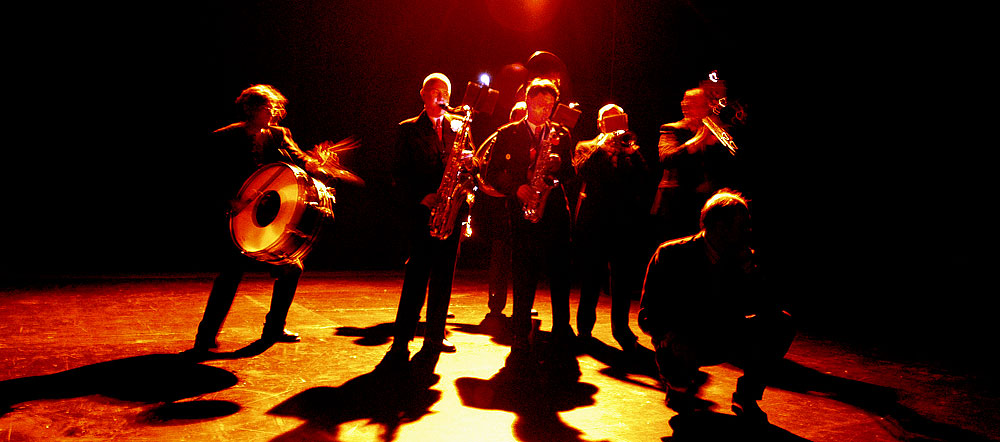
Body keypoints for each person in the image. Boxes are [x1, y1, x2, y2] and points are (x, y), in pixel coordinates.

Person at [638, 189, 794, 422]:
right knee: (682, 392)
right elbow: (648, 313)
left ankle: (746, 395)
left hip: (725, 333)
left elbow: (766, 308)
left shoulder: (743, 257)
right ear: (719, 227)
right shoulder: (673, 254)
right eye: (741, 226)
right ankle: (678, 385)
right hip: (686, 337)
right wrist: (668, 336)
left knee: (781, 323)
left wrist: (750, 275)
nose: (747, 232)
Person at [191, 84, 308, 352]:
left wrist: (314, 162)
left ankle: (275, 327)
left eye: (277, 107)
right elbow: (204, 176)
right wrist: (228, 199)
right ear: (252, 109)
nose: (276, 112)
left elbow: (298, 161)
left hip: (272, 214)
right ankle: (206, 336)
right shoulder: (225, 137)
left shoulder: (280, 135)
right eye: (270, 107)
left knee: (292, 267)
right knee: (230, 274)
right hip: (240, 214)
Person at [482, 78, 576, 367]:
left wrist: (557, 171)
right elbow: (491, 173)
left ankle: (562, 329)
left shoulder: (561, 133)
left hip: (554, 212)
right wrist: (517, 188)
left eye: (549, 106)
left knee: (560, 274)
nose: (544, 111)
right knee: (524, 275)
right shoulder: (508, 133)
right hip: (522, 213)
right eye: (539, 105)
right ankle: (520, 334)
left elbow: (570, 173)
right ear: (528, 102)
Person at [380, 73, 466, 369]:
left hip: (450, 211)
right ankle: (402, 338)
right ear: (423, 94)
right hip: (422, 211)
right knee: (416, 276)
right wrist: (421, 196)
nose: (440, 95)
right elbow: (397, 172)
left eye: (445, 91)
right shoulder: (408, 130)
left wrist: (470, 164)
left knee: (444, 278)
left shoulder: (459, 127)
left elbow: (472, 163)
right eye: (434, 90)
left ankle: (435, 335)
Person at [573, 104, 647, 353]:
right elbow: (582, 171)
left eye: (619, 119)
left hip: (623, 222)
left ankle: (621, 329)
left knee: (623, 279)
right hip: (595, 221)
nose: (614, 124)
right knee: (591, 276)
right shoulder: (586, 146)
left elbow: (644, 178)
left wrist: (630, 151)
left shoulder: (630, 149)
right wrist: (603, 147)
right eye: (609, 119)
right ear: (600, 124)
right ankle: (584, 328)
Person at [649, 87, 739, 242]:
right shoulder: (671, 129)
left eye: (695, 105)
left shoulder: (714, 129)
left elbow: (731, 162)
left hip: (706, 204)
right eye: (686, 104)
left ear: (706, 107)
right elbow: (667, 159)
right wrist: (696, 143)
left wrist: (717, 146)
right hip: (676, 206)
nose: (687, 107)